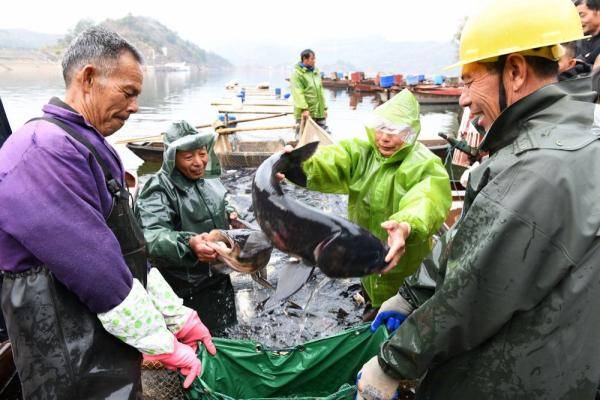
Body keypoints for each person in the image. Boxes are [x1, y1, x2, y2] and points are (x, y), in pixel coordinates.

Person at [356, 0, 600, 399]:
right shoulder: (563, 139)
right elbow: (474, 236)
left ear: (516, 72)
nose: (464, 99)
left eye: (470, 81)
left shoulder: (536, 170)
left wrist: (392, 364)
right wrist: (412, 293)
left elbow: (473, 293)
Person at [0, 27, 216, 398]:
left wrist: (178, 316)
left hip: (104, 331)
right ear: (88, 78)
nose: (135, 106)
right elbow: (98, 271)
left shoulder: (88, 145)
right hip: (62, 341)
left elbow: (127, 252)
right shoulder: (43, 151)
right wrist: (162, 343)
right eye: (128, 93)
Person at [279, 89, 451, 317]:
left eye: (396, 131)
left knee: (406, 318)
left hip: (407, 275)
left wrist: (405, 224)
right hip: (367, 267)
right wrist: (296, 164)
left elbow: (427, 199)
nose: (385, 137)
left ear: (411, 133)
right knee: (371, 304)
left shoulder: (426, 165)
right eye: (381, 128)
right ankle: (371, 304)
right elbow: (331, 160)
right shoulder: (361, 152)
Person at [135, 121, 238, 333]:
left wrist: (229, 212)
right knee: (200, 343)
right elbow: (152, 236)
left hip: (219, 276)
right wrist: (189, 243)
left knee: (227, 333)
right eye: (189, 157)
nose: (199, 162)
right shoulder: (158, 190)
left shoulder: (207, 180)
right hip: (186, 287)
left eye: (202, 154)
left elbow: (221, 200)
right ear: (173, 158)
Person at [290, 49, 328, 133]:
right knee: (302, 134)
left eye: (314, 59)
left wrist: (324, 108)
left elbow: (320, 90)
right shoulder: (297, 74)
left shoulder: (316, 71)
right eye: (312, 59)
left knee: (323, 134)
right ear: (305, 59)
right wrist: (304, 109)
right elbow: (298, 92)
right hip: (306, 112)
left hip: (319, 111)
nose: (314, 61)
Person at [575, 0, 600, 68]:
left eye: (582, 15)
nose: (578, 21)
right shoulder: (578, 41)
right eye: (576, 17)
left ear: (598, 12)